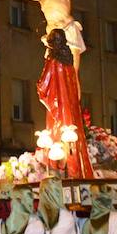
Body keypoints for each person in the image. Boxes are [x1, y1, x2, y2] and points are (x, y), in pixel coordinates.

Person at [36, 29, 93, 178]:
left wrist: (39, 86)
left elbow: (43, 85)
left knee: (58, 135)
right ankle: (74, 167)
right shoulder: (68, 60)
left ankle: (62, 168)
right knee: (71, 137)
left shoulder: (53, 61)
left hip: (58, 106)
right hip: (70, 107)